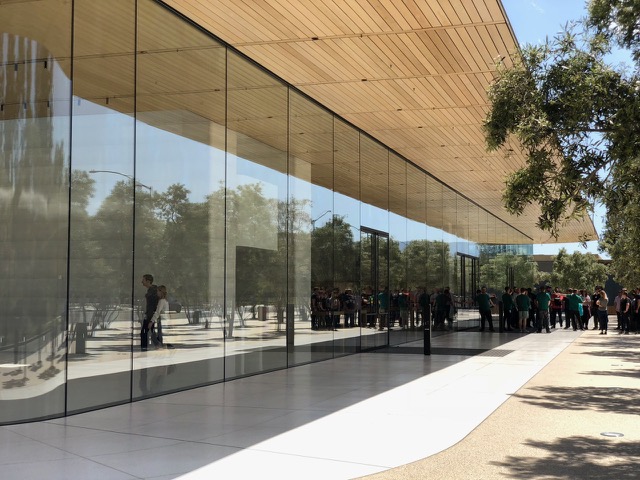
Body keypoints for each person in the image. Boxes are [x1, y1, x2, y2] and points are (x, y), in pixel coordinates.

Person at [141, 274, 159, 352]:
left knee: (144, 332)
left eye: (143, 280)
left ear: (148, 281)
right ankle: (157, 345)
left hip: (151, 315)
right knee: (150, 332)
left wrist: (150, 318)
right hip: (150, 314)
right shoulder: (151, 290)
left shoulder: (153, 291)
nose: (142, 282)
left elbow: (153, 305)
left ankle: (145, 348)